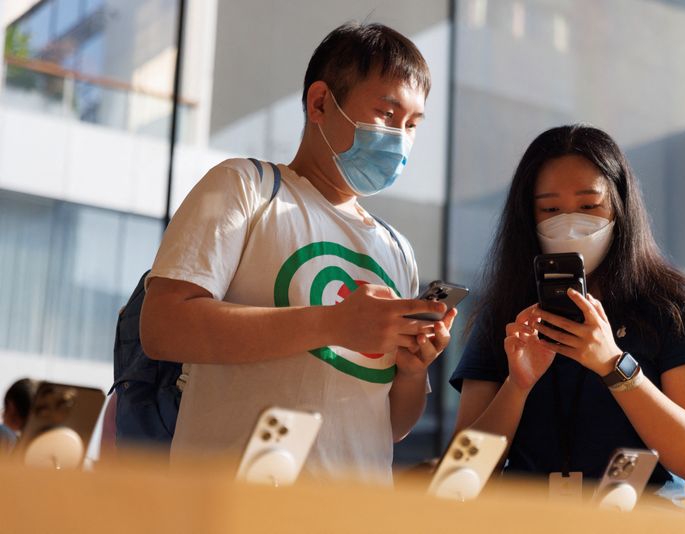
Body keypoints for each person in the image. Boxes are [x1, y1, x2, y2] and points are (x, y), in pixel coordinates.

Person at [140, 22, 455, 484]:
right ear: (321, 102)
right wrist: (336, 323)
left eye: (411, 125)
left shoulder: (396, 249)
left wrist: (410, 371)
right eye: (387, 115)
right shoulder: (244, 186)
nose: (400, 139)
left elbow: (390, 427)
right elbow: (163, 326)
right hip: (233, 503)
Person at [449, 124, 685, 506]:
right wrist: (517, 385)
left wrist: (613, 365)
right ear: (527, 217)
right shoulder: (506, 309)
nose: (569, 220)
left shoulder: (670, 303)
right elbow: (460, 475)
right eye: (549, 209)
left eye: (589, 205)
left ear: (619, 206)